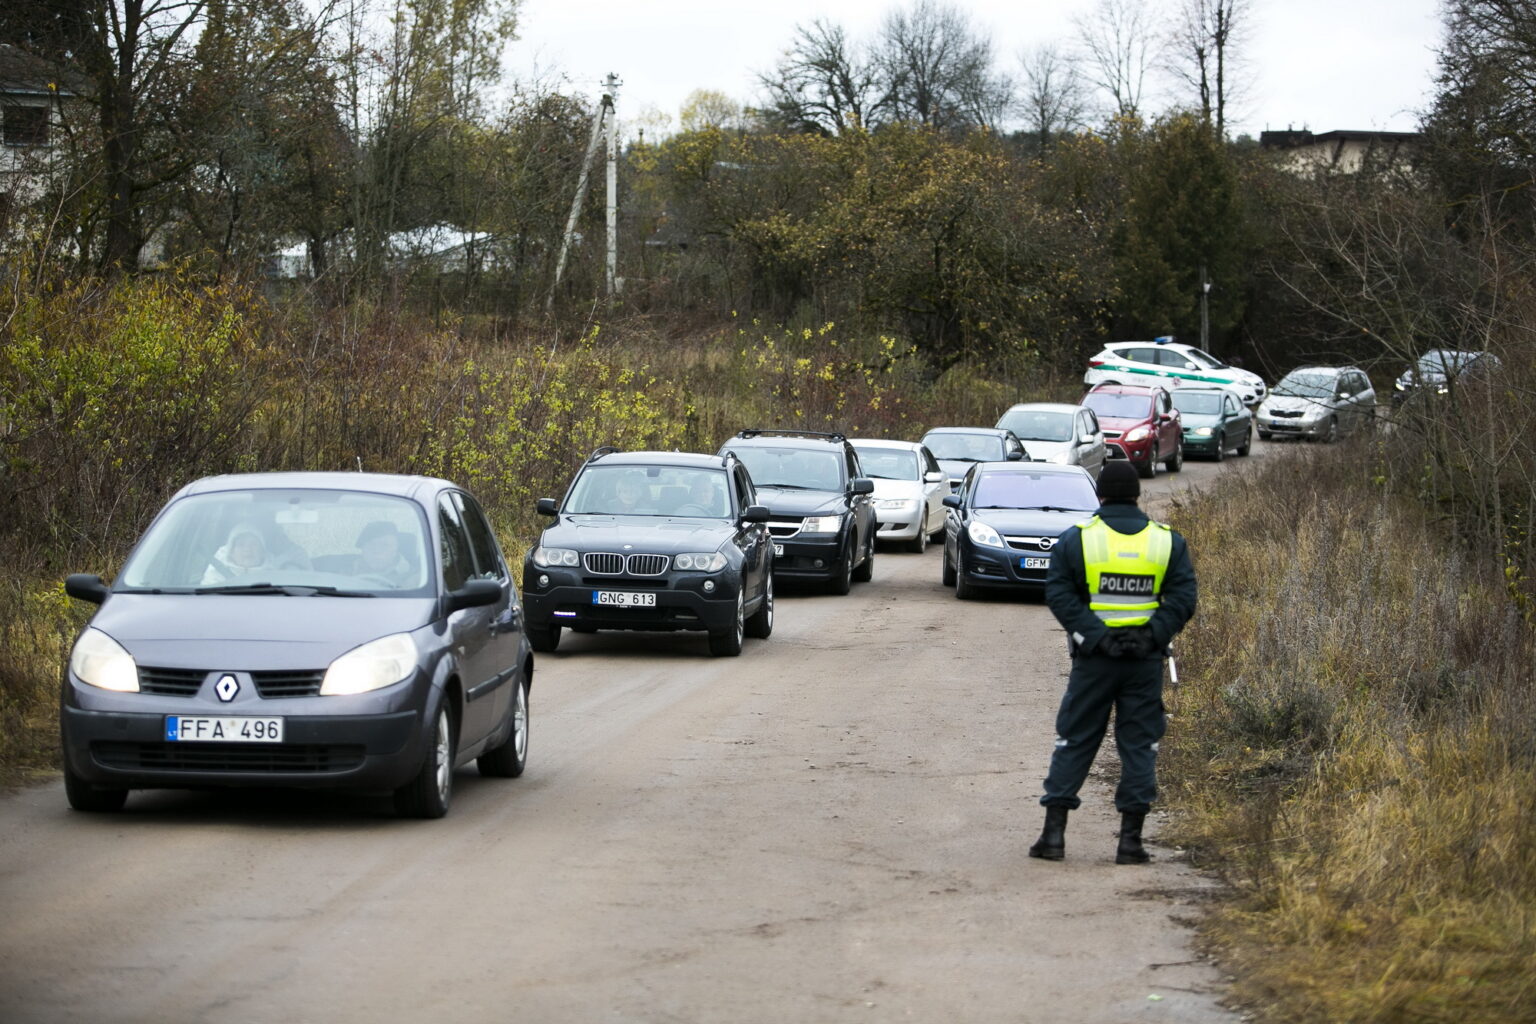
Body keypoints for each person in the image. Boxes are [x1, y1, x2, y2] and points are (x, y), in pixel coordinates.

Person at [1029, 459, 1197, 864]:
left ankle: (1053, 838)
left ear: (1100, 494)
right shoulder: (1166, 542)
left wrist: (1097, 637)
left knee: (1075, 739)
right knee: (1139, 745)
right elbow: (1182, 598)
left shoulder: (1078, 539)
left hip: (1094, 662)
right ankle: (1130, 844)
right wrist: (1150, 636)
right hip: (1144, 662)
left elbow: (1059, 593)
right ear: (1137, 494)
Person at [201, 522, 273, 583]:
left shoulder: (275, 576)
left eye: (253, 544)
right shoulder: (215, 576)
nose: (247, 549)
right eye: (241, 544)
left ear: (262, 552)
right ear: (231, 552)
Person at [350, 520, 416, 587]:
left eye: (385, 545)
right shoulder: (346, 568)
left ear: (396, 548)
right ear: (362, 548)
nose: (376, 550)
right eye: (371, 544)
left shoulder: (414, 578)